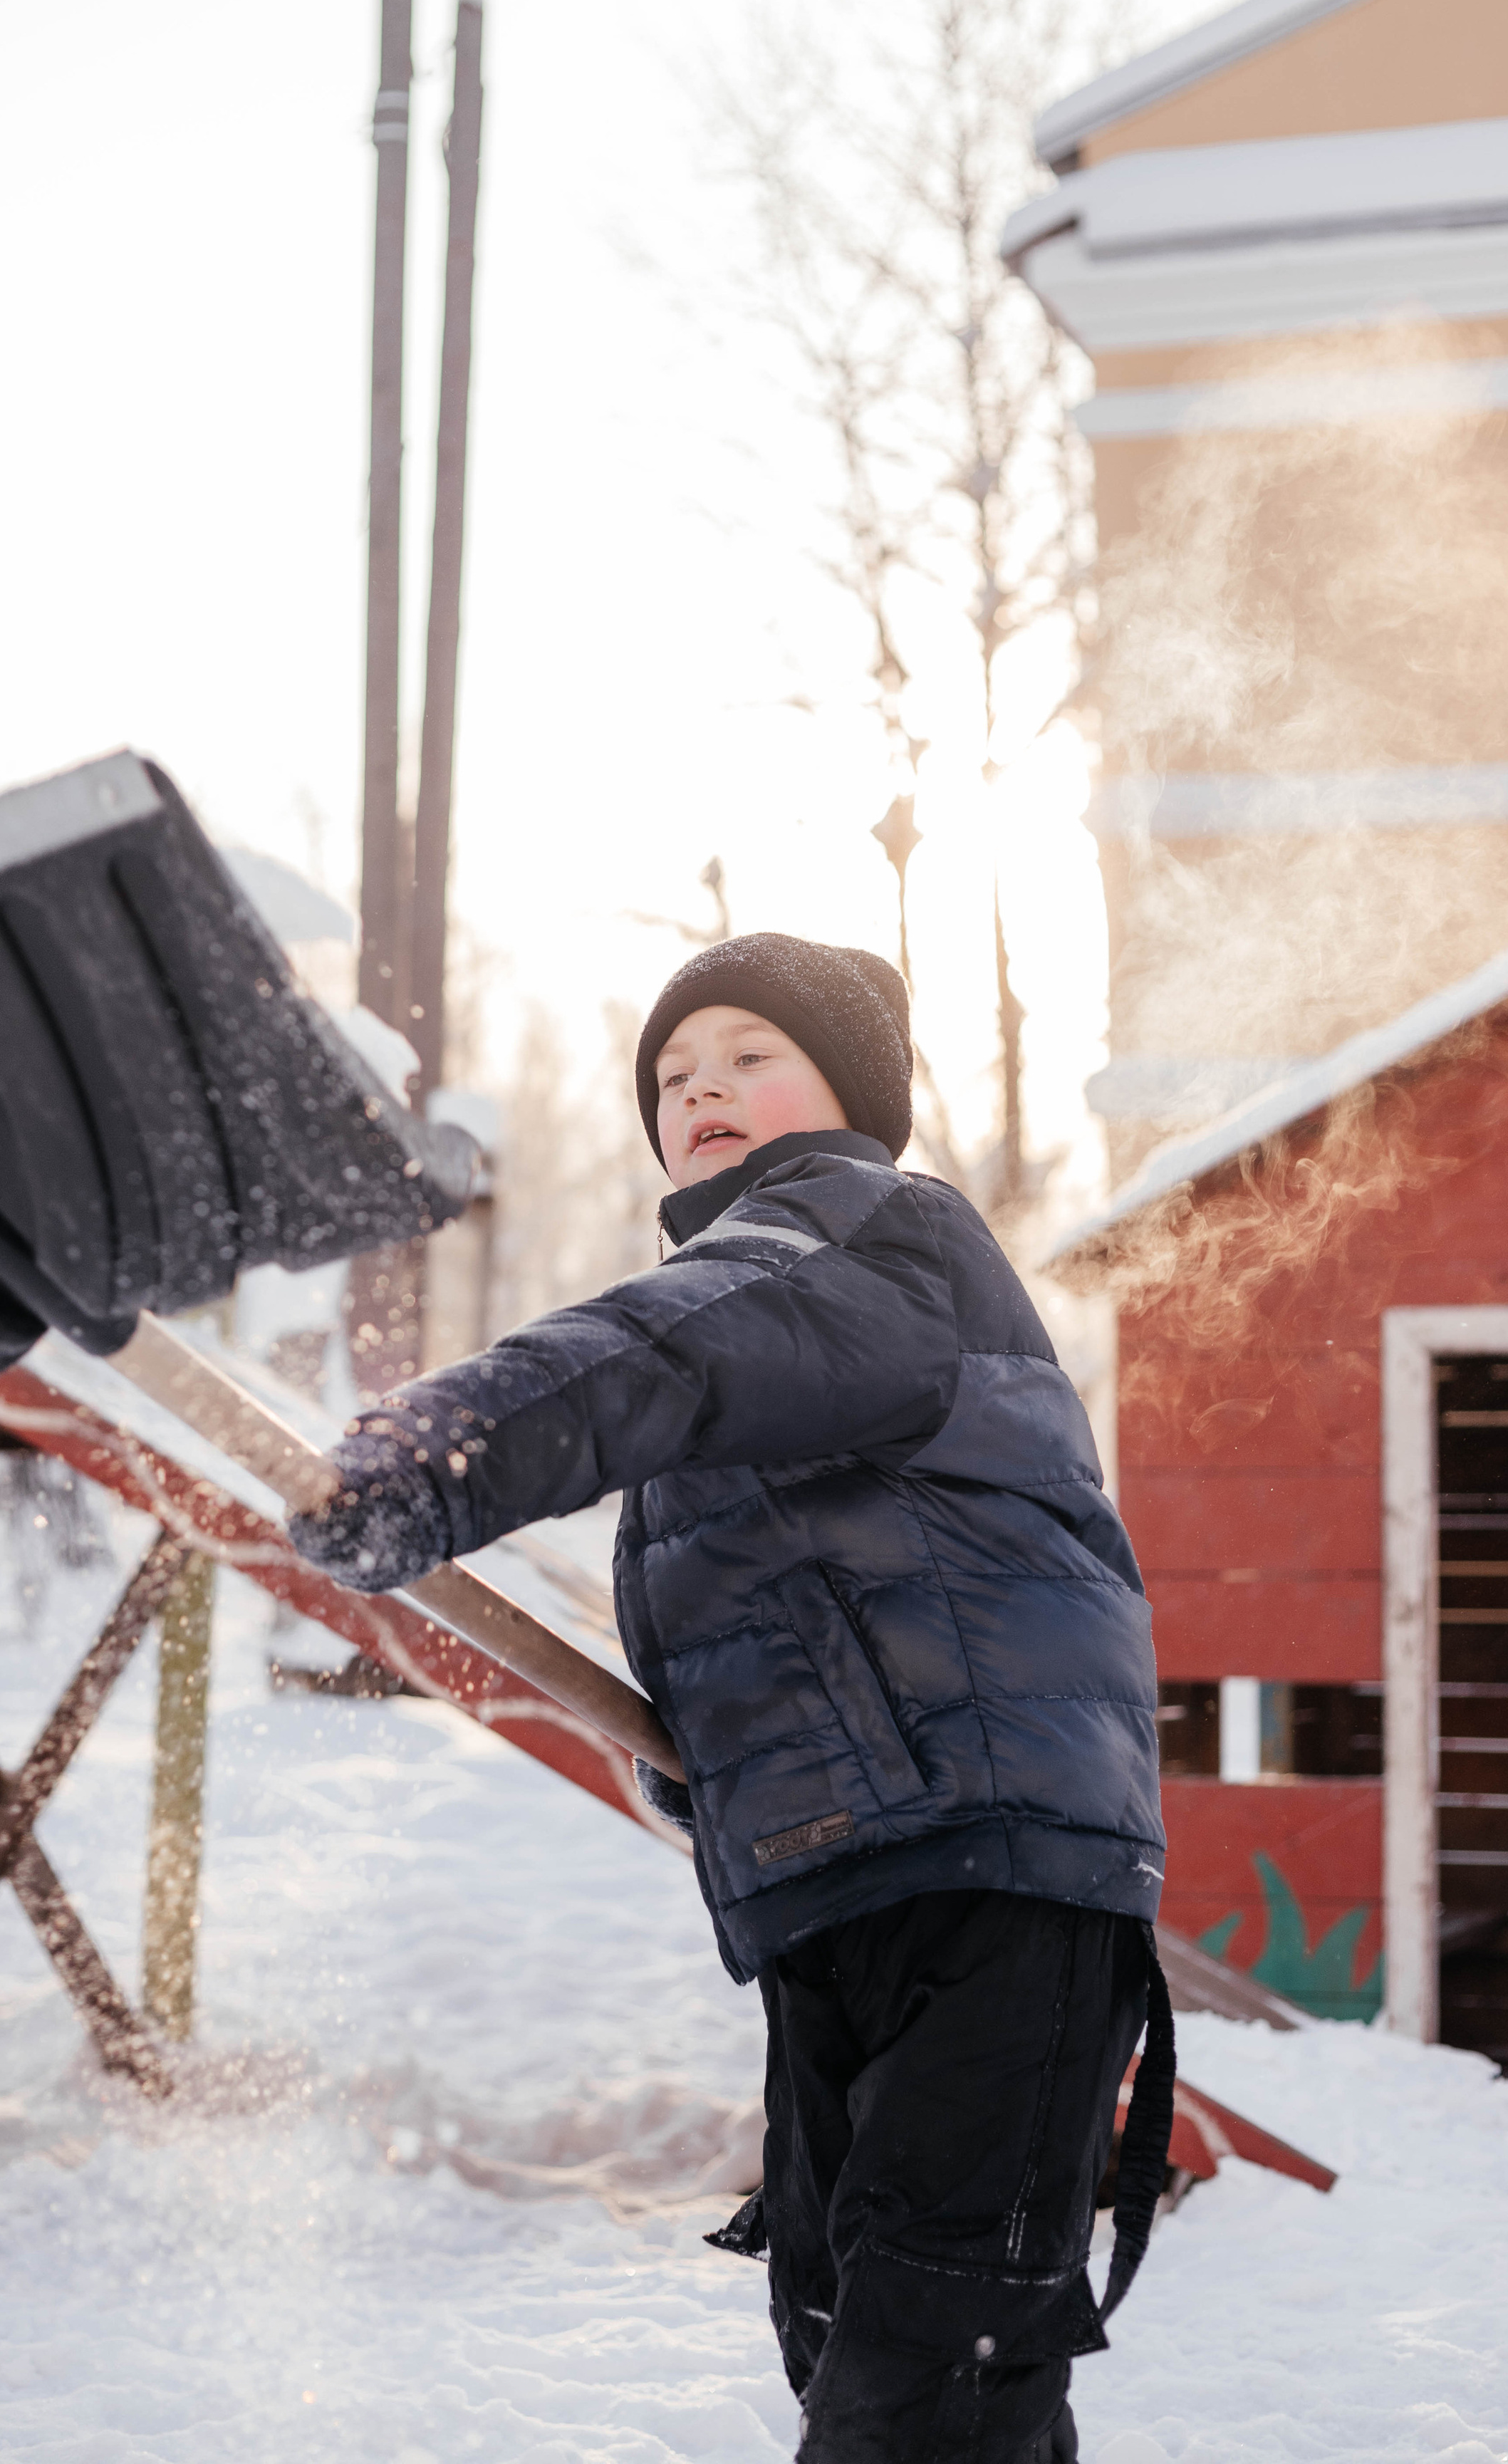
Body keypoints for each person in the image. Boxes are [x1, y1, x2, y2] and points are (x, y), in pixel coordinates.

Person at [291, 933, 1171, 2463]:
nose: (700, 1088)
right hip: (853, 1878)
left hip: (993, 1870)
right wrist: (714, 1762)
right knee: (846, 2324)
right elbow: (800, 1601)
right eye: (674, 1075)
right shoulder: (771, 1316)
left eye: (747, 1053)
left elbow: (646, 1353)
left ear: (847, 1089)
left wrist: (442, 1449)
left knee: (925, 2356)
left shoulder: (865, 1236)